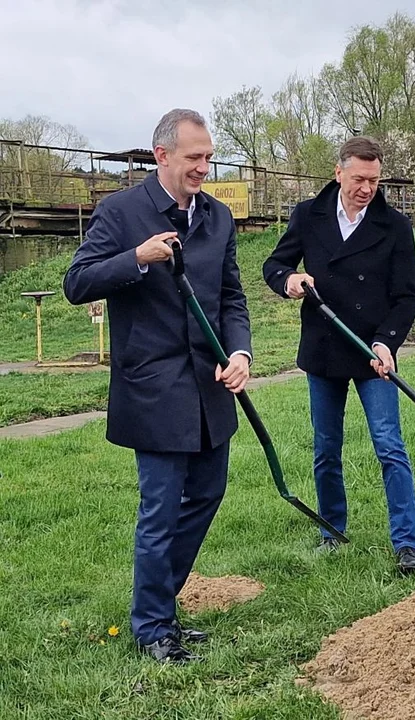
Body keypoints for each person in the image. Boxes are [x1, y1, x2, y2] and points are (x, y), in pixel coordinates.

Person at [63, 108, 252, 663]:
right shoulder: (121, 212)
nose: (204, 167)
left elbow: (232, 298)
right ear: (162, 155)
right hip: (153, 388)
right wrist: (136, 259)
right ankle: (151, 628)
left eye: (208, 156)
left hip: (210, 384)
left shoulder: (218, 218)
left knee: (209, 493)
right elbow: (77, 282)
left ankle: (159, 606)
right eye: (194, 157)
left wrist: (240, 351)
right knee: (162, 509)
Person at [262, 136, 415, 574]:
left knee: (390, 447)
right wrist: (289, 282)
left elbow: (407, 297)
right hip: (325, 349)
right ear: (339, 173)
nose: (366, 188)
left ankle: (408, 544)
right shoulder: (307, 216)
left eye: (373, 180)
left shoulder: (395, 226)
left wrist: (387, 343)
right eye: (358, 179)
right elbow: (274, 266)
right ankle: (331, 532)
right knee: (326, 448)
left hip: (374, 353)